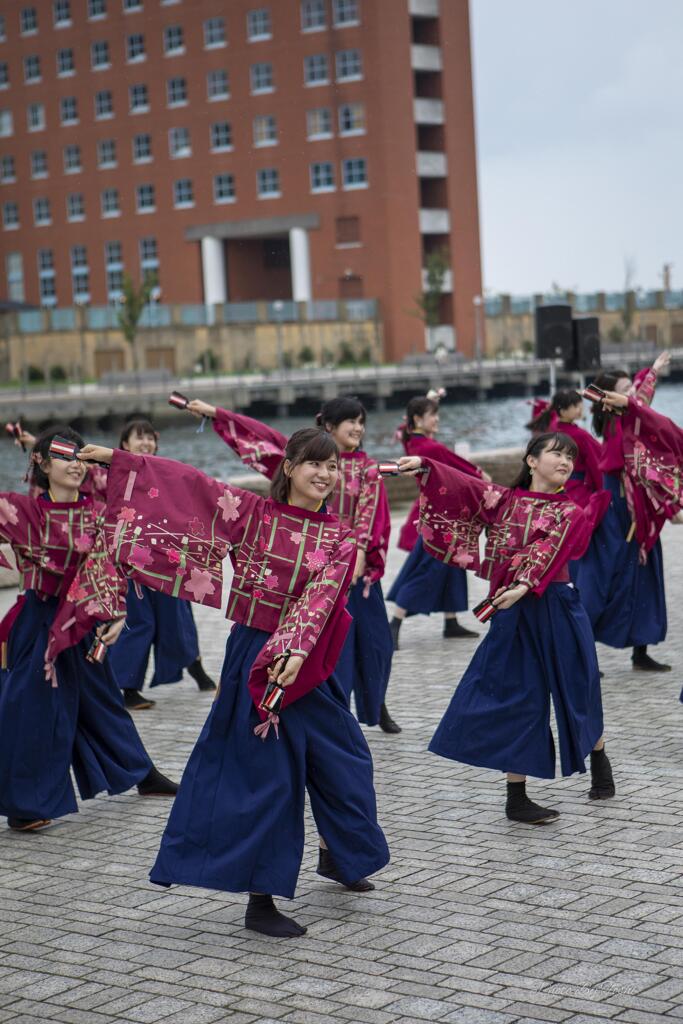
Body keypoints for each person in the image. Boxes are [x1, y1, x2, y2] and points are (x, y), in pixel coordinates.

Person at [78, 429, 389, 938]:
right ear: (288, 467)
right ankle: (260, 901)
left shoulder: (338, 534)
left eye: (333, 467)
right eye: (315, 464)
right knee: (265, 776)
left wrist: (293, 648)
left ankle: (341, 856)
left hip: (306, 660)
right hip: (252, 656)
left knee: (348, 759)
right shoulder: (251, 513)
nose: (326, 475)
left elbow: (323, 596)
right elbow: (187, 486)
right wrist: (121, 461)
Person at [398, 432, 613, 823]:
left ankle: (598, 756)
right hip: (512, 611)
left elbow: (549, 549)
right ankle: (517, 797)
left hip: (556, 604)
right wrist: (426, 468)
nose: (565, 461)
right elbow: (465, 485)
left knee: (578, 686)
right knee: (518, 694)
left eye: (570, 457)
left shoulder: (570, 511)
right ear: (531, 460)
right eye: (556, 453)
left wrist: (523, 585)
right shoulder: (503, 500)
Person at [180, 396, 400, 734]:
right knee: (329, 655)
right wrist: (217, 414)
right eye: (350, 421)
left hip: (349, 563)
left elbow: (366, 517)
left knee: (374, 644)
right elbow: (261, 438)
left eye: (361, 422)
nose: (358, 428)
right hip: (306, 569)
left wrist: (355, 558)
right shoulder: (304, 459)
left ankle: (376, 704)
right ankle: (332, 709)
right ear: (328, 426)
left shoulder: (367, 470)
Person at [0, 426, 177, 833]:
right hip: (39, 622)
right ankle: (24, 805)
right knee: (31, 709)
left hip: (82, 623)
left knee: (103, 702)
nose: (75, 464)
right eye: (63, 456)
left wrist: (115, 614)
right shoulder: (24, 512)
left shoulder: (98, 514)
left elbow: (109, 566)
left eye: (80, 456)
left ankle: (142, 772)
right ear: (41, 464)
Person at [573, 353, 672, 671]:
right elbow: (640, 402)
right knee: (602, 582)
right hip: (616, 512)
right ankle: (581, 653)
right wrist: (651, 376)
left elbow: (642, 398)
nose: (632, 393)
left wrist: (652, 372)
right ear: (610, 398)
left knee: (644, 578)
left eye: (631, 387)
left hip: (635, 511)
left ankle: (640, 651)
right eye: (624, 389)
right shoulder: (619, 425)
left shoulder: (628, 419)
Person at [108, 419, 216, 710]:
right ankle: (128, 686)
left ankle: (196, 667)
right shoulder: (114, 475)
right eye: (138, 438)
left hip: (168, 560)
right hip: (133, 563)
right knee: (139, 621)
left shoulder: (166, 471)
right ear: (124, 445)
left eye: (150, 438)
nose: (145, 443)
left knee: (178, 617)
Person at [387, 395, 487, 649]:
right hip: (442, 517)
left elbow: (403, 430)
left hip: (436, 513)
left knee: (449, 568)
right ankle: (395, 623)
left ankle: (450, 621)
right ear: (418, 419)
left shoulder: (413, 443)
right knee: (426, 568)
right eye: (433, 415)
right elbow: (459, 468)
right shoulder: (432, 449)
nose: (437, 419)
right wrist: (481, 476)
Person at [526, 390, 604, 509]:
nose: (580, 408)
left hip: (549, 486)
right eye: (575, 406)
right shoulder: (580, 435)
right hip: (576, 489)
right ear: (562, 411)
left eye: (580, 404)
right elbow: (595, 463)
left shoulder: (550, 430)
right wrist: (602, 489)